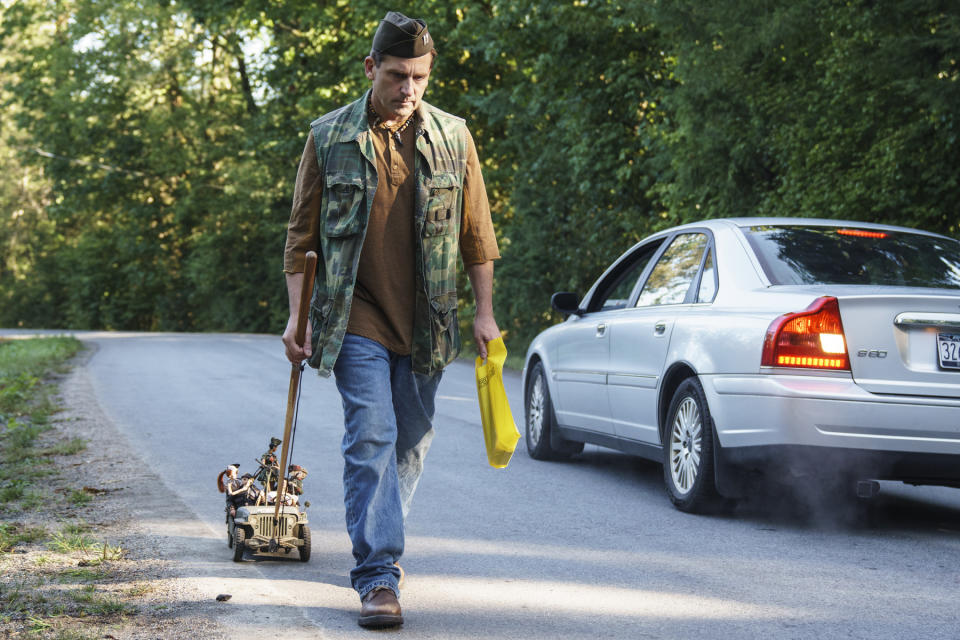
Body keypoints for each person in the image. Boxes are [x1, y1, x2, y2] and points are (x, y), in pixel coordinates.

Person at [282, 10, 500, 629]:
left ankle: (376, 529)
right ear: (372, 67)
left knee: (410, 441)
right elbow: (301, 239)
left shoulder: (454, 137)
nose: (409, 89)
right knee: (372, 434)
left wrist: (485, 315)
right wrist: (297, 319)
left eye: (421, 77)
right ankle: (378, 574)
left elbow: (476, 233)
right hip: (356, 316)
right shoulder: (328, 137)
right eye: (399, 75)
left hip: (429, 320)